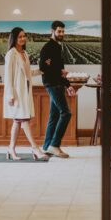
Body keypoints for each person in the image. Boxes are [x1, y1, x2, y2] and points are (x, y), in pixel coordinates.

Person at [3, 27, 48, 161]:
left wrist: (42, 69)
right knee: (24, 120)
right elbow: (8, 77)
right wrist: (10, 95)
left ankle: (11, 148)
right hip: (16, 93)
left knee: (18, 121)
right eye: (20, 37)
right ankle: (35, 148)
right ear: (14, 38)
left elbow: (29, 73)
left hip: (25, 92)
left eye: (24, 36)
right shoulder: (11, 54)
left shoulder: (25, 53)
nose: (23, 38)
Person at [40, 21, 76, 158]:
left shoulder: (57, 47)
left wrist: (68, 85)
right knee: (66, 113)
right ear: (53, 31)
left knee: (54, 116)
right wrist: (60, 72)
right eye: (59, 31)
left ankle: (46, 147)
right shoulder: (48, 47)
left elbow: (60, 70)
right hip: (52, 84)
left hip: (58, 84)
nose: (62, 34)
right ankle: (54, 145)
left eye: (63, 31)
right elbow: (44, 67)